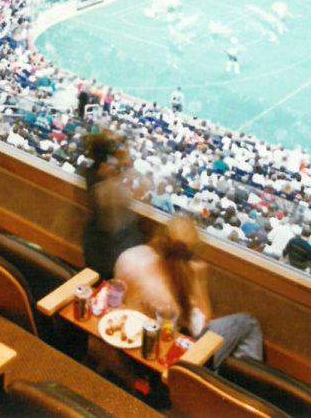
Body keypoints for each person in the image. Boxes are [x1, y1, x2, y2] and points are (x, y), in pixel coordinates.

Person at [114, 215, 263, 368]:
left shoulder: (129, 256)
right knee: (248, 323)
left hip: (130, 338)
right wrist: (200, 282)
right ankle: (238, 380)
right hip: (168, 356)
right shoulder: (169, 302)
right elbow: (202, 329)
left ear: (158, 238)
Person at [80, 131, 144, 278]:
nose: (125, 157)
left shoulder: (93, 173)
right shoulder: (104, 189)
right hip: (107, 257)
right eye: (121, 154)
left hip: (103, 251)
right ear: (105, 164)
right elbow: (114, 221)